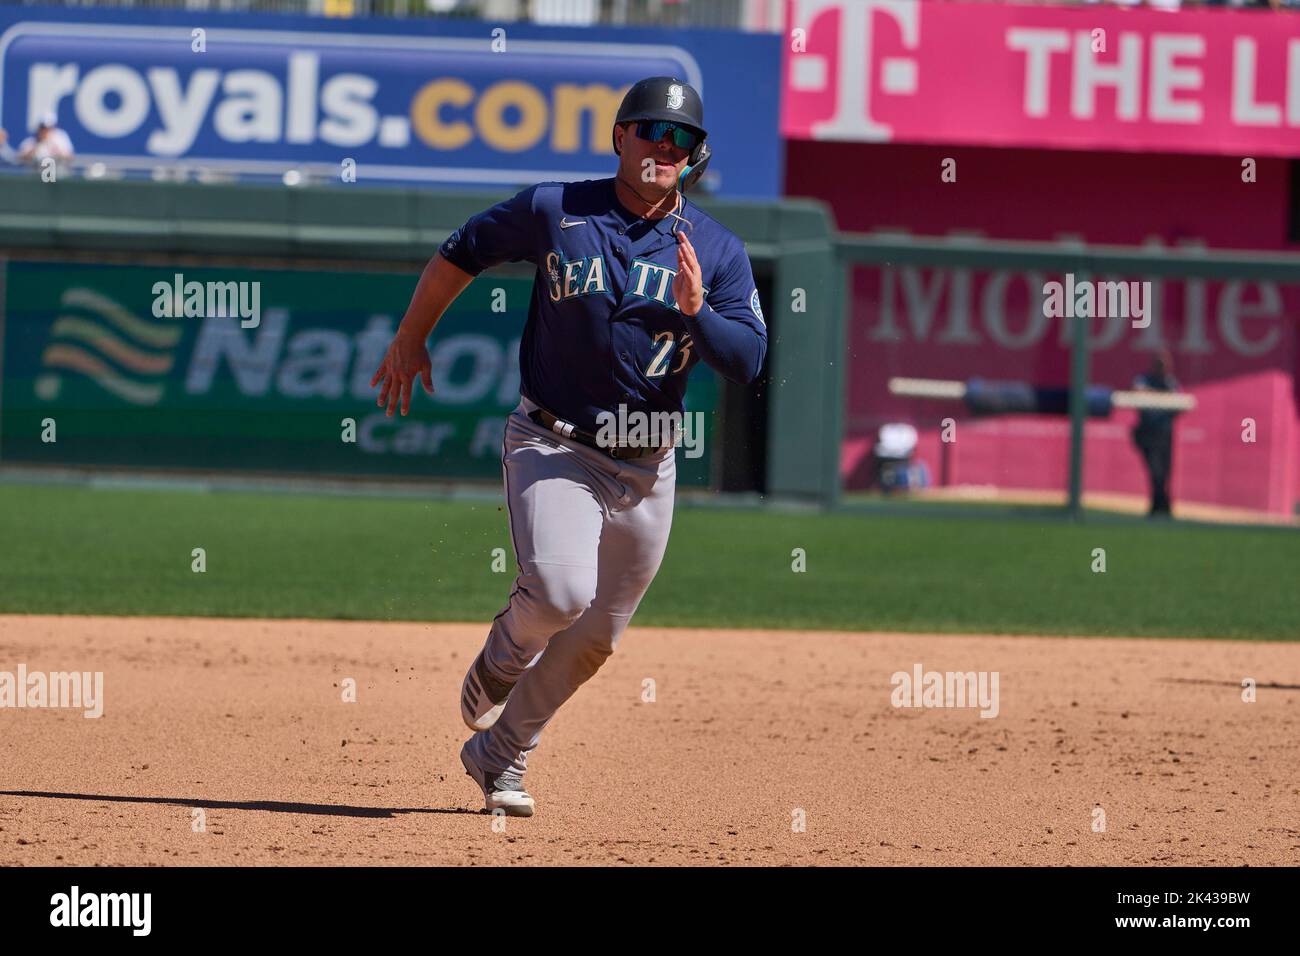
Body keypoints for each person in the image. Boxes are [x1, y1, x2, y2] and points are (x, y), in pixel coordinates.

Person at [369, 77, 767, 816]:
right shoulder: (557, 209)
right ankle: (504, 654)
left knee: (593, 641)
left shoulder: (715, 250)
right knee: (559, 592)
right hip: (556, 442)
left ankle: (500, 754)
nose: (662, 146)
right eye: (648, 130)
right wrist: (411, 336)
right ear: (619, 137)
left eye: (679, 138)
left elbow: (746, 359)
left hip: (649, 464)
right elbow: (463, 250)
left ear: (695, 156)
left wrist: (697, 312)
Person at [1131, 350, 1181, 518]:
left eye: (1163, 364)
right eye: (1158, 363)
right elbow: (1138, 392)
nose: (1161, 367)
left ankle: (1161, 506)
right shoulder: (1144, 379)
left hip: (1165, 434)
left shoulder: (1169, 382)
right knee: (1155, 471)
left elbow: (1178, 403)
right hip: (1148, 434)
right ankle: (1160, 505)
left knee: (1164, 472)